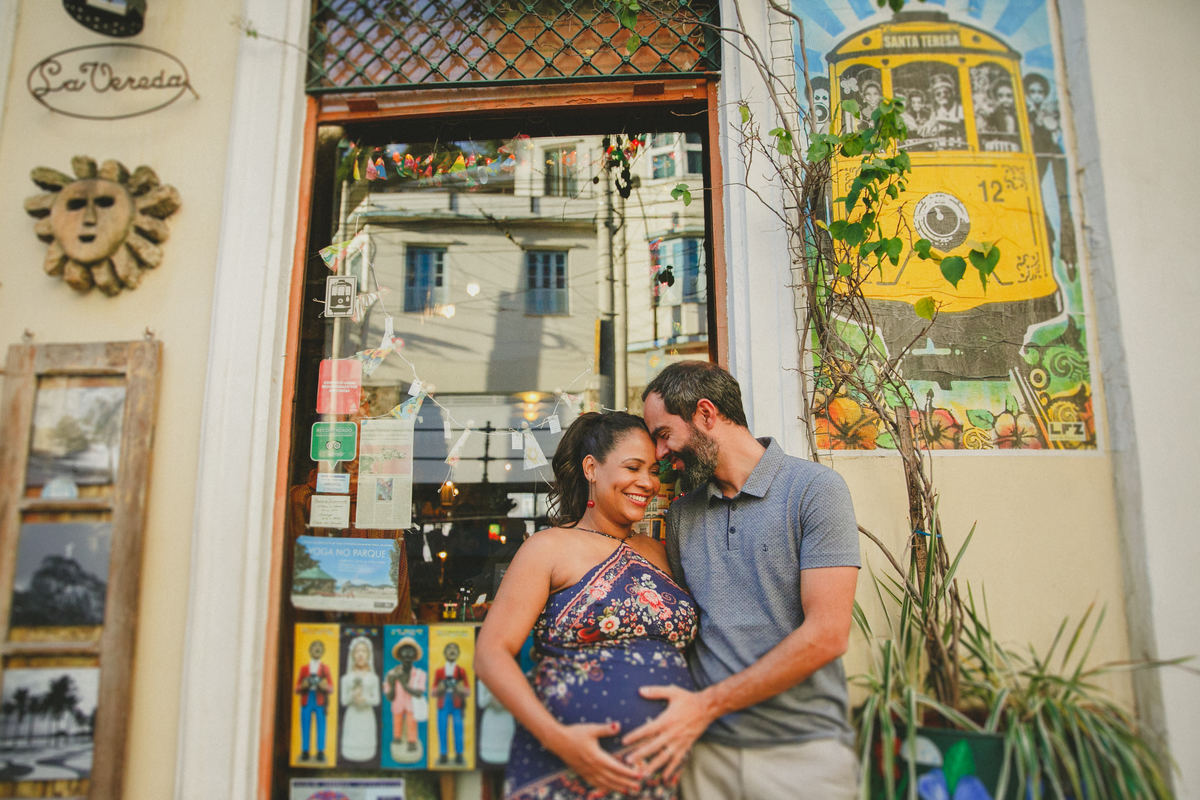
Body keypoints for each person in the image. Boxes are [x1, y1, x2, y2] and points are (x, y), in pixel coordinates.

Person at [624, 361, 861, 800]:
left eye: (663, 434)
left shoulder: (816, 490)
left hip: (802, 754)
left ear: (706, 414)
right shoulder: (681, 515)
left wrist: (705, 706)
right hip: (706, 754)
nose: (660, 454)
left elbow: (827, 635)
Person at [476, 411, 698, 799]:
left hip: (658, 775)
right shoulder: (548, 548)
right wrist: (559, 739)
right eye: (633, 467)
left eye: (654, 470)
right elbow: (491, 654)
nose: (647, 482)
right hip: (563, 766)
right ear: (592, 468)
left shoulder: (657, 551)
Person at [383, 636, 427, 761]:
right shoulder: (392, 673)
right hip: (397, 706)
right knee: (396, 721)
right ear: (399, 654)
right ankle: (397, 738)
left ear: (415, 655)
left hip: (412, 706)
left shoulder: (420, 674)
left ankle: (412, 742)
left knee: (412, 723)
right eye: (404, 650)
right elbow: (389, 697)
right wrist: (391, 684)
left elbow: (419, 693)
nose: (407, 654)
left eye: (410, 650)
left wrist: (404, 685)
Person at [340, 635, 381, 762]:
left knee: (366, 739)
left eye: (364, 651)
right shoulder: (346, 678)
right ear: (352, 655)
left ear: (369, 655)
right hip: (352, 716)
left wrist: (365, 699)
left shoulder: (373, 678)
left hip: (367, 716)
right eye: (357, 651)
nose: (360, 655)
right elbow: (343, 701)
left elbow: (376, 700)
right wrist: (353, 696)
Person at [432, 641, 471, 765]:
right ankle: (443, 754)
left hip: (457, 702)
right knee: (442, 728)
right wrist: (441, 687)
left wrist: (458, 688)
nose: (452, 651)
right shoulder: (439, 671)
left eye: (455, 649)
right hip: (443, 701)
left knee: (458, 728)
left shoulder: (461, 671)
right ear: (444, 653)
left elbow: (467, 690)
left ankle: (459, 754)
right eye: (449, 649)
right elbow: (433, 691)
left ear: (458, 653)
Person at [295, 639, 333, 762]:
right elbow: (296, 688)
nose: (317, 650)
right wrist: (303, 685)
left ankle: (320, 751)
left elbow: (331, 687)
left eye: (319, 648)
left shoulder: (325, 668)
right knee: (305, 725)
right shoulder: (304, 668)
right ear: (310, 650)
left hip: (320, 699)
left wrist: (324, 686)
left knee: (321, 725)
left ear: (322, 652)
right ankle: (305, 750)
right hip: (306, 699)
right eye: (315, 648)